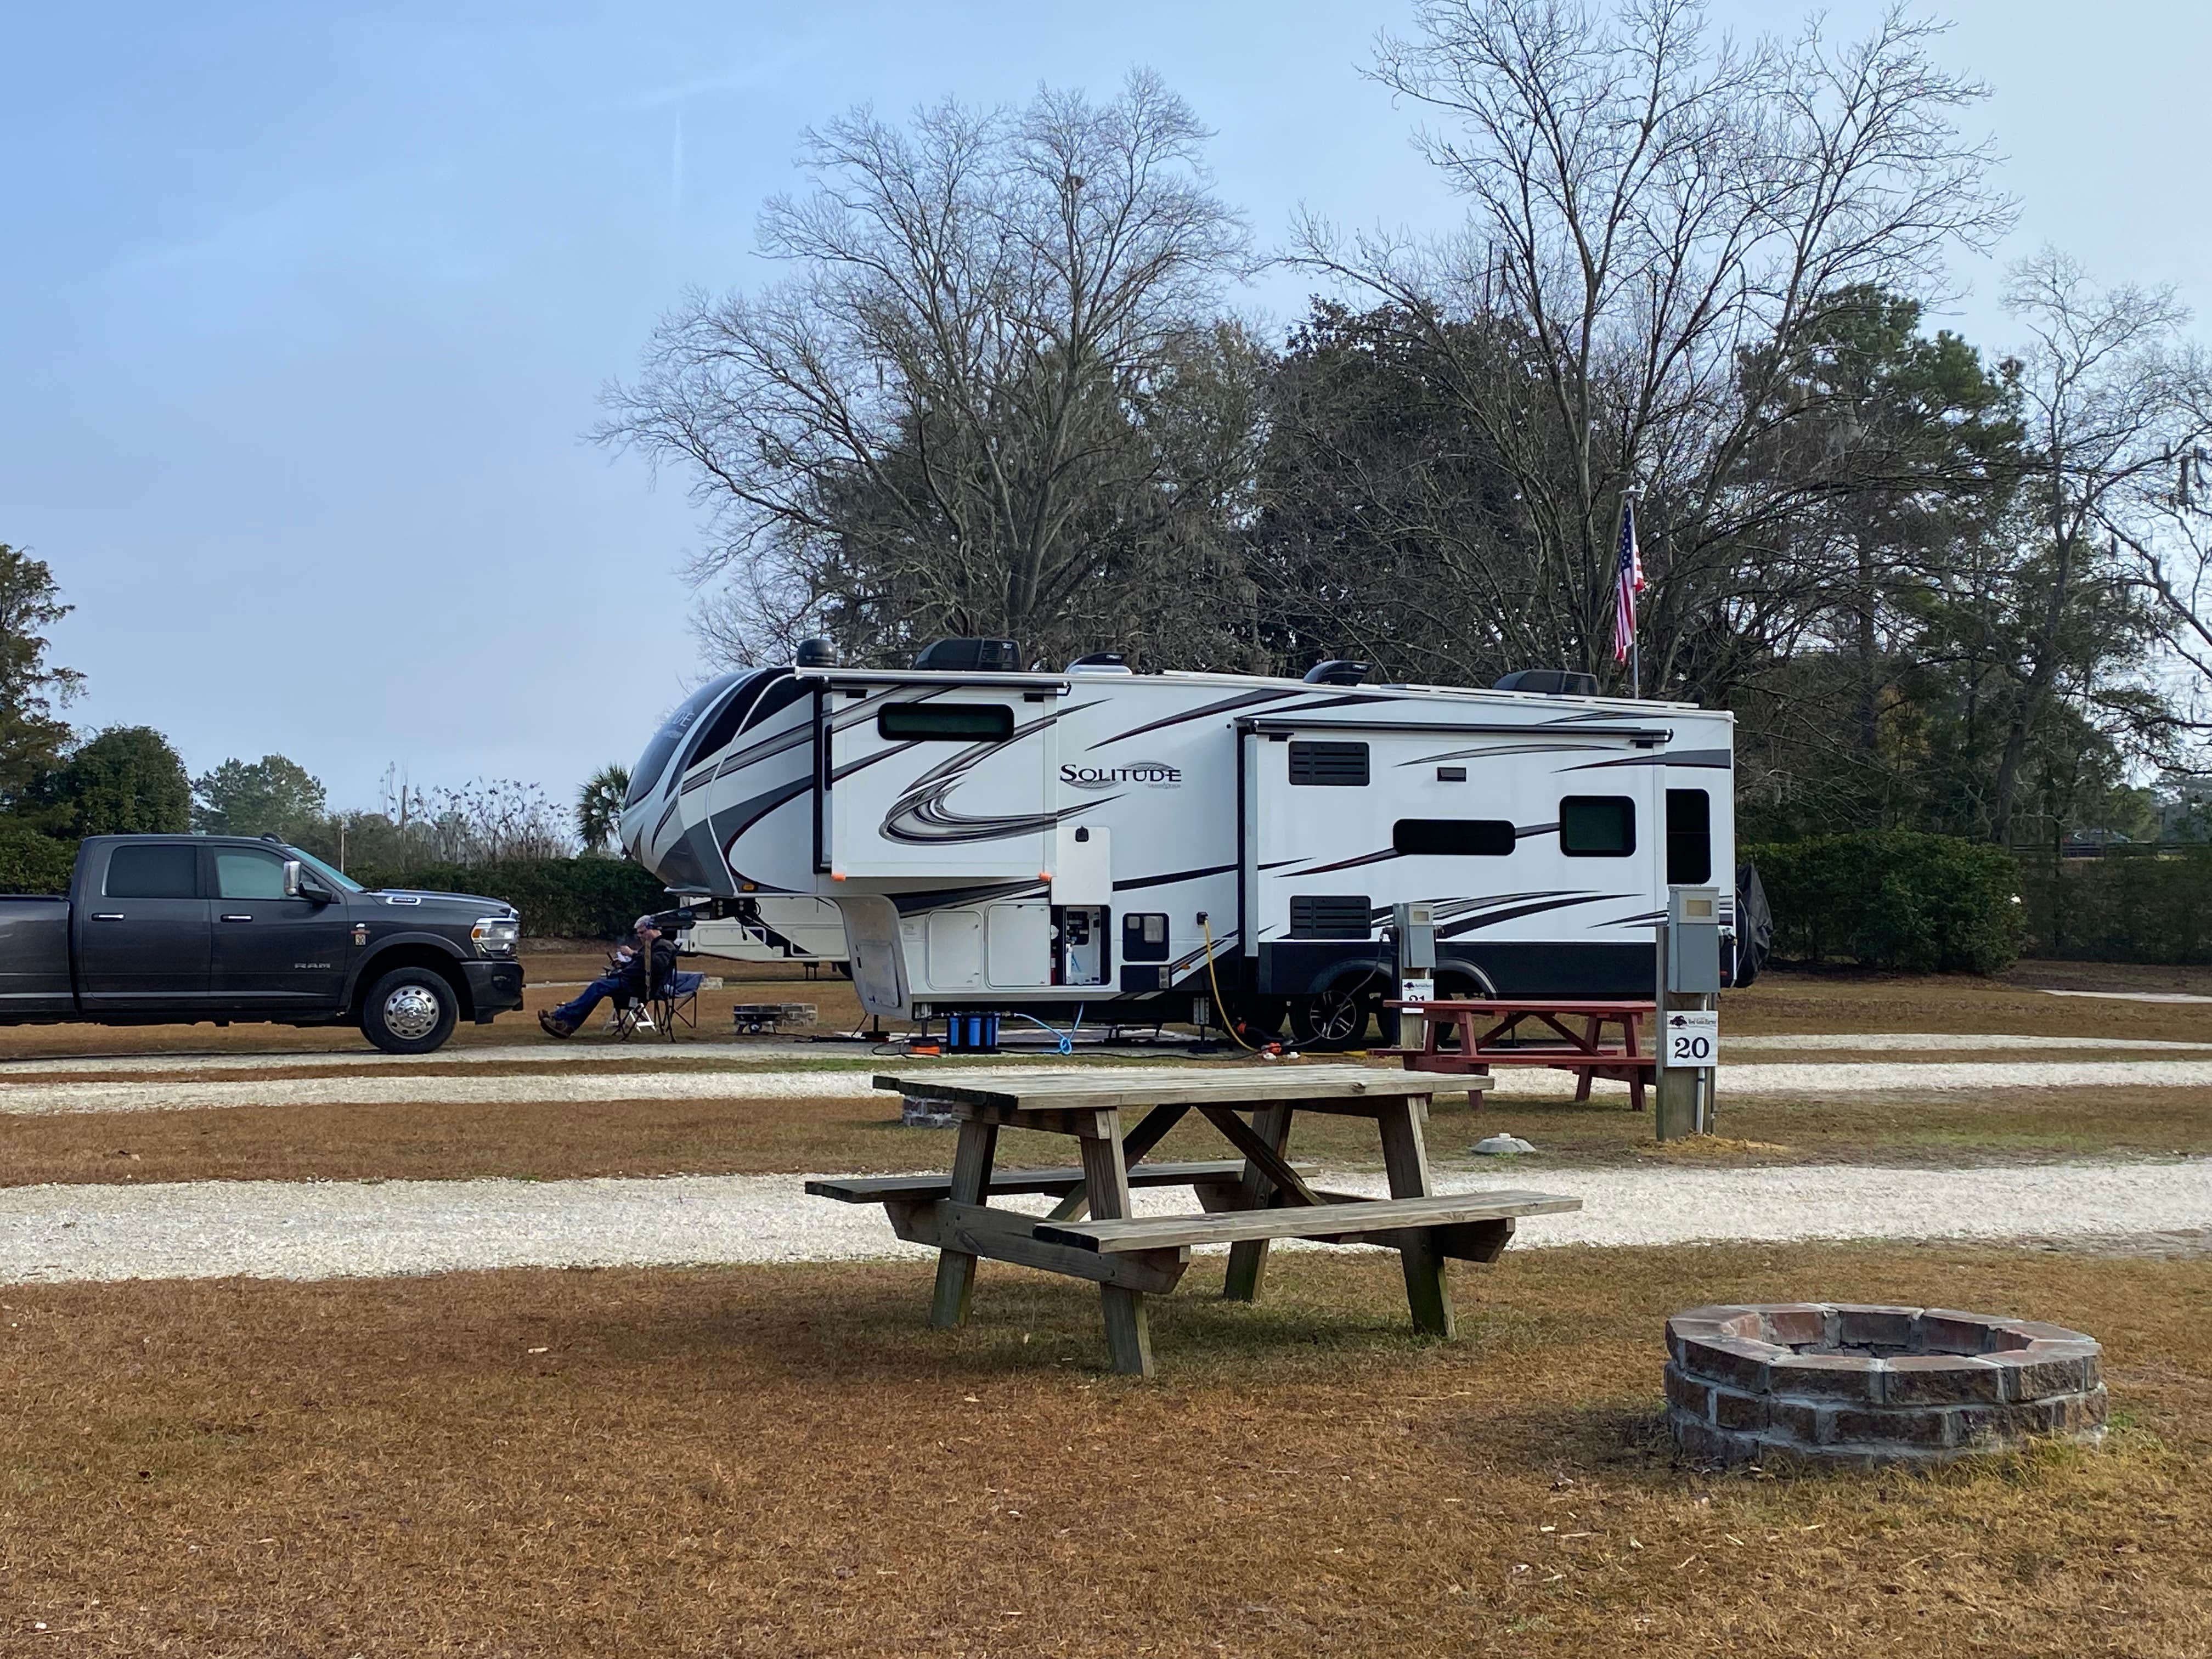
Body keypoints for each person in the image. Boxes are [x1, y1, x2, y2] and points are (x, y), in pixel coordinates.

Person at [539, 917, 677, 1037]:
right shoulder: (651, 946)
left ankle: (561, 1018)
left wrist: (633, 954)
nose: (639, 937)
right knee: (598, 987)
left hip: (639, 988)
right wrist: (623, 965)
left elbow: (657, 965)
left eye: (642, 933)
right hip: (630, 982)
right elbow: (642, 965)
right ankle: (567, 1025)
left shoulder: (664, 946)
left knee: (598, 987)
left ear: (651, 929)